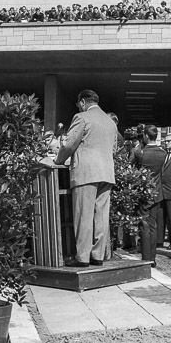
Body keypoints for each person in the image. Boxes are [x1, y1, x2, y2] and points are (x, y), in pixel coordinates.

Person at [55, 89, 117, 267]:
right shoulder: (110, 121)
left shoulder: (82, 117)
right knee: (101, 216)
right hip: (106, 173)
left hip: (86, 172)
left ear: (82, 102)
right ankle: (98, 256)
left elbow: (68, 144)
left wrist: (59, 160)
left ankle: (82, 257)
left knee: (84, 215)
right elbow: (112, 150)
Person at [133, 125, 167, 267]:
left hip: (144, 191)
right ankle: (152, 257)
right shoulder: (163, 153)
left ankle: (146, 257)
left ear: (146, 136)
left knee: (144, 225)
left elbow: (131, 168)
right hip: (157, 191)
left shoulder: (140, 152)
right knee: (153, 226)